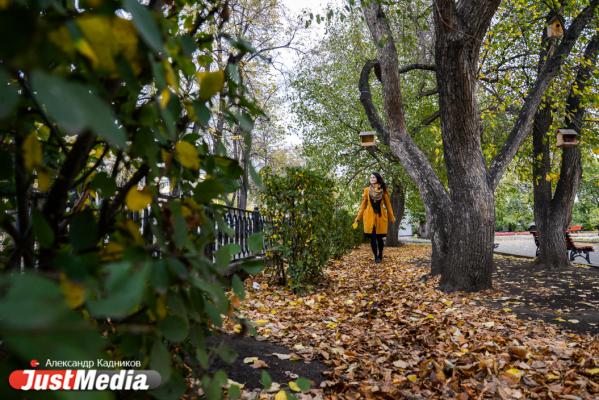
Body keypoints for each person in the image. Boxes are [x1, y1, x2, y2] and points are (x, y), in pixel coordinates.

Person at [353, 172, 396, 263]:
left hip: (380, 217)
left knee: (379, 238)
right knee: (372, 238)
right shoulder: (367, 190)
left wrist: (392, 217)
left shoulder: (383, 190)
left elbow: (388, 205)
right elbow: (363, 205)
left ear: (377, 179)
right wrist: (358, 218)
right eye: (371, 177)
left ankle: (380, 254)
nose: (372, 179)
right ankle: (376, 257)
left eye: (374, 177)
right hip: (369, 216)